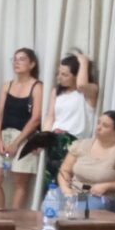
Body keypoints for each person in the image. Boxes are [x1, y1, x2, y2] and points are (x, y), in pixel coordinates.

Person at [0, 48, 44, 209]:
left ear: (32, 64)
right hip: (4, 134)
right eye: (15, 59)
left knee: (20, 183)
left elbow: (36, 118)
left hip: (25, 137)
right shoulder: (7, 85)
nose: (17, 62)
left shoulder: (37, 86)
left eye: (22, 59)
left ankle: (15, 218)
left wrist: (17, 143)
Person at [57, 110, 115, 210]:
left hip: (97, 196)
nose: (98, 128)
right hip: (73, 191)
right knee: (51, 206)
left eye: (105, 126)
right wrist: (66, 190)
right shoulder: (81, 145)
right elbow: (64, 170)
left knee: (79, 210)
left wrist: (107, 186)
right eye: (98, 123)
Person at [42, 51, 100, 188]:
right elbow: (51, 117)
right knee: (52, 183)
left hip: (74, 142)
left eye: (65, 75)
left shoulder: (88, 92)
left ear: (77, 75)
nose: (59, 78)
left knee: (70, 183)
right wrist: (42, 138)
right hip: (54, 140)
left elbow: (81, 85)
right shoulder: (57, 92)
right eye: (59, 73)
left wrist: (83, 62)